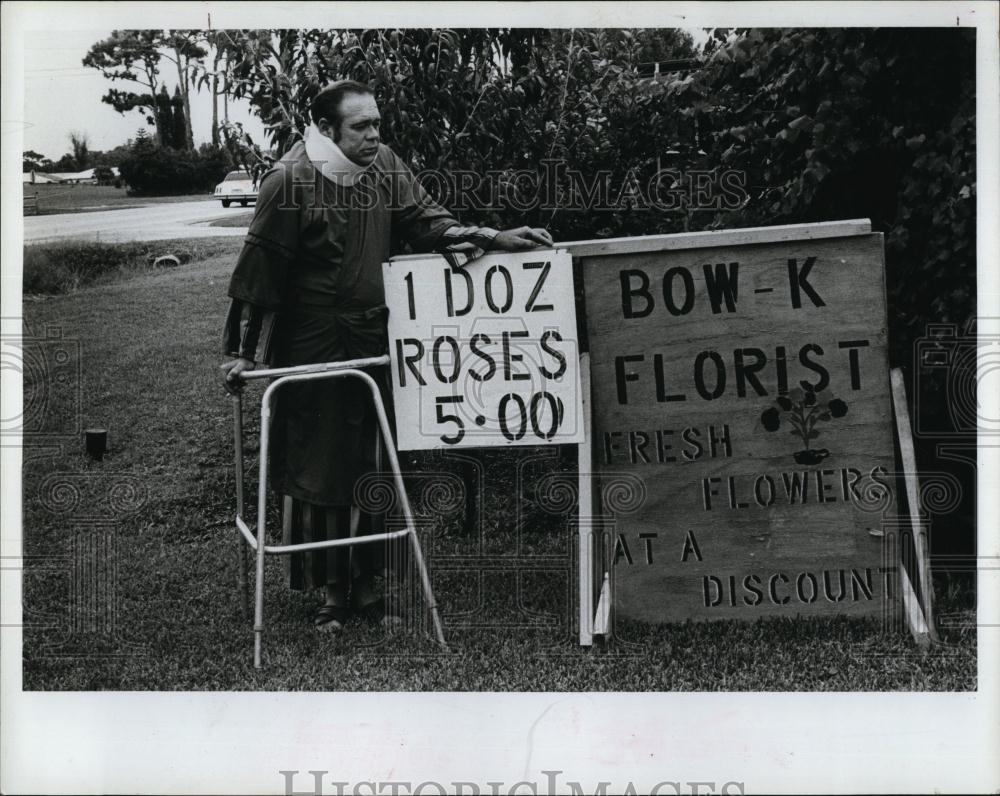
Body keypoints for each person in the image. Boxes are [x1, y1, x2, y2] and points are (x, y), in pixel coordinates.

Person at [220, 80, 553, 634]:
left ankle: (371, 589)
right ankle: (332, 596)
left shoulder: (385, 164)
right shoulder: (289, 180)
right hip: (312, 347)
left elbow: (425, 220)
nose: (374, 134)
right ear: (327, 130)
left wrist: (493, 237)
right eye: (361, 127)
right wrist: (238, 352)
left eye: (377, 124)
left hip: (375, 341)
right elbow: (260, 271)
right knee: (319, 470)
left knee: (374, 462)